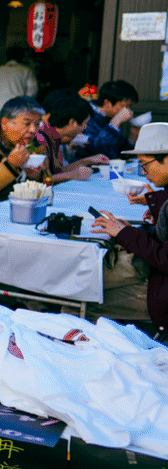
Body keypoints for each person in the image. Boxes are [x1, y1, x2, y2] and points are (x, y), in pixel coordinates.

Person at [91, 122, 168, 343]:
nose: (144, 173)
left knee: (81, 300)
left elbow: (164, 258)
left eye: (145, 165)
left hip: (161, 295)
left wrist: (125, 233)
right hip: (158, 281)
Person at [33, 89, 109, 184]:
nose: (85, 128)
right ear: (72, 122)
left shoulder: (53, 135)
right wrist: (72, 175)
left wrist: (89, 160)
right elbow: (39, 180)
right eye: (85, 123)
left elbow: (59, 171)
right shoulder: (41, 138)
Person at [0, 96, 44, 202]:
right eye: (26, 123)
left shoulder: (32, 143)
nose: (33, 130)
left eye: (37, 124)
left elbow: (44, 181)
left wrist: (34, 177)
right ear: (5, 124)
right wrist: (10, 165)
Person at [78, 80, 138, 160]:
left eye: (129, 107)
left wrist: (133, 136)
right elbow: (95, 148)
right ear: (107, 103)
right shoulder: (85, 116)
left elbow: (121, 152)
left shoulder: (109, 118)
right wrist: (115, 122)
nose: (128, 111)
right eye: (124, 107)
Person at [0, 47, 39, 114]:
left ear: (7, 57)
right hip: (18, 109)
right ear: (22, 57)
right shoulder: (26, 70)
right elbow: (32, 91)